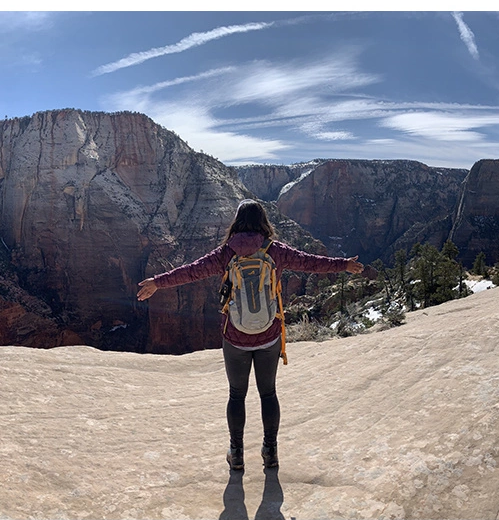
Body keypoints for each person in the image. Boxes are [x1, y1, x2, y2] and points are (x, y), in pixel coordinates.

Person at [137, 199, 364, 472]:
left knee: (236, 395)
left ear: (237, 222)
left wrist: (157, 282)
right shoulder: (275, 251)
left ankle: (237, 454)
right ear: (263, 222)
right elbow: (310, 262)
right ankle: (270, 453)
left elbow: (192, 271)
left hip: (234, 336)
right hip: (269, 334)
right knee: (268, 393)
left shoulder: (226, 254)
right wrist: (343, 265)